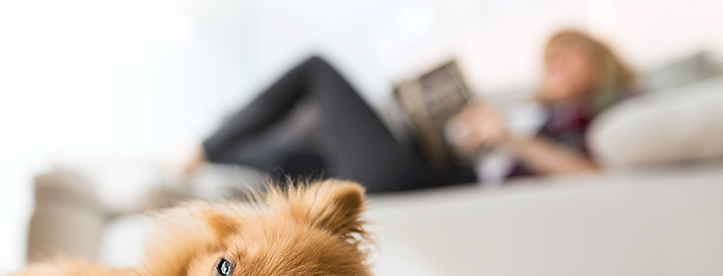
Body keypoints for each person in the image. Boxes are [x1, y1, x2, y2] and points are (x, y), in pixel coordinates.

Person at [180, 29, 637, 192]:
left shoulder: (597, 117)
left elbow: (594, 175)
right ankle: (212, 156)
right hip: (429, 165)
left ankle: (203, 148)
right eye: (549, 60)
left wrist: (510, 139)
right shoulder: (538, 110)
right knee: (296, 159)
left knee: (317, 70)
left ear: (601, 63)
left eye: (567, 57)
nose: (553, 67)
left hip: (425, 182)